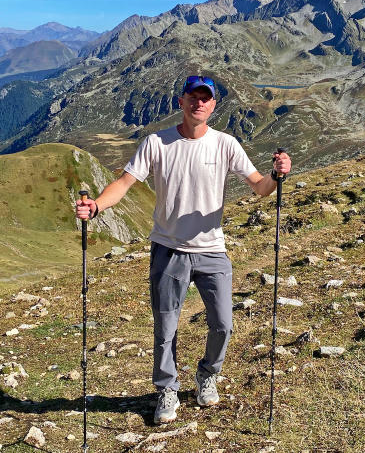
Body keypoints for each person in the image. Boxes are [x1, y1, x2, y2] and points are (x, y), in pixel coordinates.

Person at [75, 75, 291, 425]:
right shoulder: (157, 143)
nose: (199, 103)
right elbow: (124, 183)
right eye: (193, 97)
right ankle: (167, 389)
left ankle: (207, 374)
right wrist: (96, 206)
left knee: (222, 322)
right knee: (166, 327)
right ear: (182, 101)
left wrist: (277, 174)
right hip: (168, 248)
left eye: (206, 99)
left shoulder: (225, 144)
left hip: (212, 250)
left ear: (214, 106)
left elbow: (260, 188)